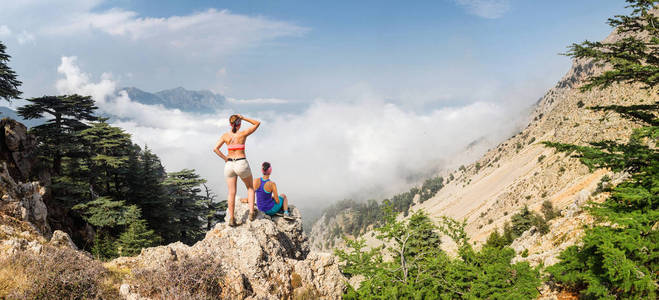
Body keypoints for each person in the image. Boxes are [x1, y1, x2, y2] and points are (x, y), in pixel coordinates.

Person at [213, 114, 260, 226]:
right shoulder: (242, 134)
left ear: (230, 124)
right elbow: (257, 123)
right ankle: (252, 213)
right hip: (241, 163)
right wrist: (243, 118)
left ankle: (232, 218)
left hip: (229, 165)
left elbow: (215, 149)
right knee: (250, 187)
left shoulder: (225, 136)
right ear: (239, 124)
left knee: (231, 192)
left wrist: (225, 158)